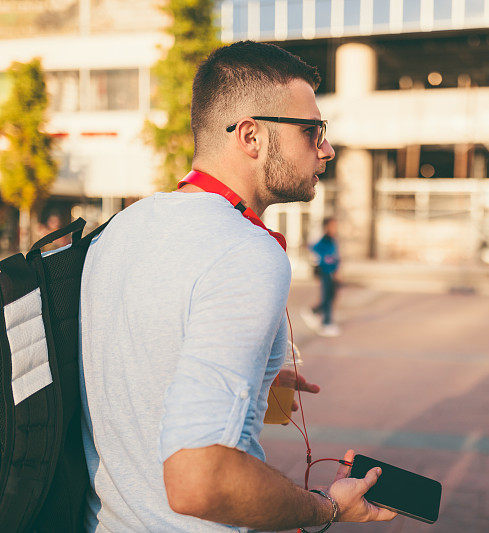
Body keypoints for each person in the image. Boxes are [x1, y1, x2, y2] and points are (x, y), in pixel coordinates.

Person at [79, 41, 396, 532]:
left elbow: (137, 371)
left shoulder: (121, 227)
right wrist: (327, 508)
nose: (327, 149)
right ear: (251, 136)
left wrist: (256, 380)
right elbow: (199, 481)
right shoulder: (245, 251)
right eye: (312, 131)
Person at [304, 217, 341, 337]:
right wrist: (325, 261)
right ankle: (326, 323)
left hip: (332, 273)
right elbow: (314, 249)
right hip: (326, 273)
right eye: (332, 226)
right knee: (327, 298)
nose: (335, 228)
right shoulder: (324, 240)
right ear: (326, 227)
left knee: (331, 297)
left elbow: (335, 257)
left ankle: (314, 312)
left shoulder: (332, 240)